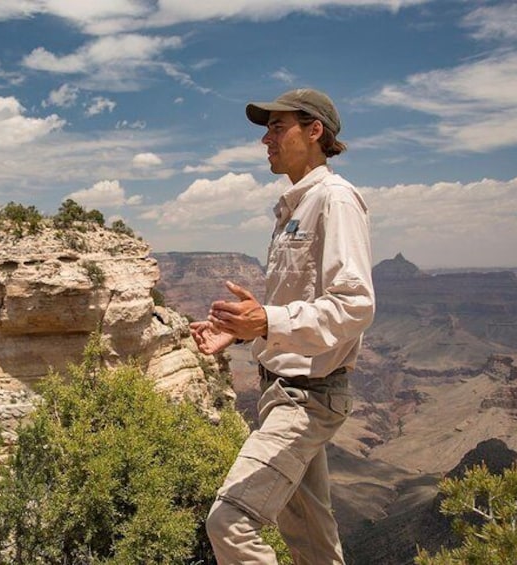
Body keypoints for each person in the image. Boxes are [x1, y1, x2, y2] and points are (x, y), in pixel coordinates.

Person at [191, 88, 375, 564]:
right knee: (313, 545)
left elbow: (355, 305)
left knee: (229, 522)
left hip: (308, 397)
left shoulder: (335, 200)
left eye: (278, 126)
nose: (265, 140)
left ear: (315, 131)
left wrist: (268, 320)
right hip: (281, 390)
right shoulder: (295, 205)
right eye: (266, 130)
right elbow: (301, 301)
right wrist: (244, 328)